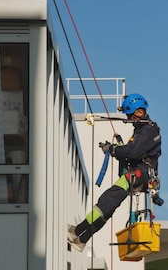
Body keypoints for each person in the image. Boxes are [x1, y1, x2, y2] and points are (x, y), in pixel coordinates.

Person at [68, 93, 162, 252]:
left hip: (140, 174)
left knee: (108, 199)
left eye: (131, 115)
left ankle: (77, 231)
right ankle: (82, 239)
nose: (130, 119)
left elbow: (132, 152)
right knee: (110, 206)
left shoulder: (147, 130)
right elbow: (133, 153)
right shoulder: (144, 130)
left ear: (139, 112)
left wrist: (113, 149)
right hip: (140, 173)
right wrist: (116, 150)